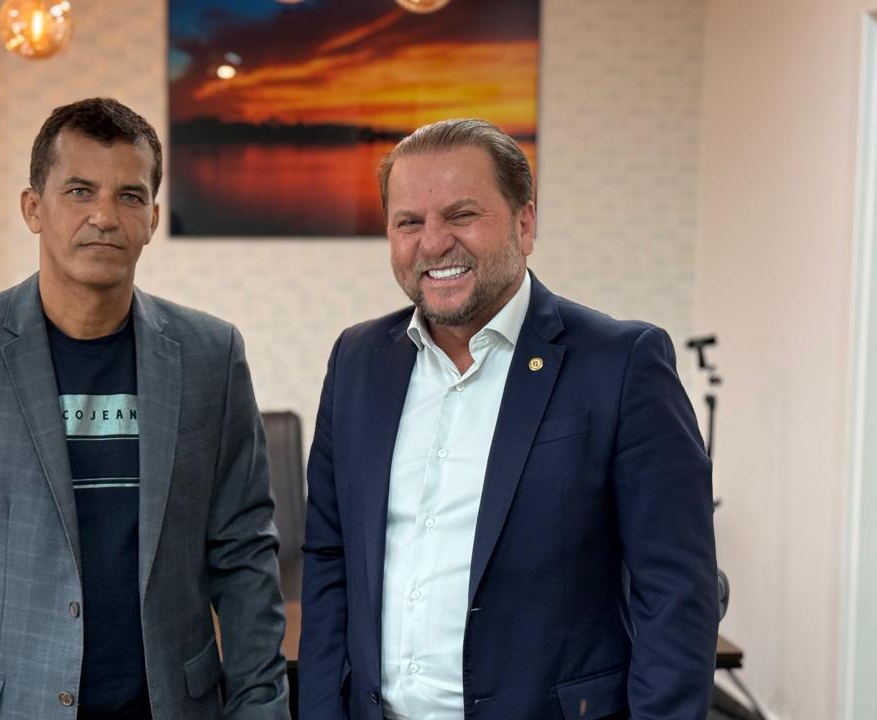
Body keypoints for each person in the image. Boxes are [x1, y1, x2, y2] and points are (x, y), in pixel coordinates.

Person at [0, 98, 289, 720]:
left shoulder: (211, 355)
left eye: (130, 196)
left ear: (153, 218)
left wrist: (260, 709)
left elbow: (245, 556)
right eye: (80, 190)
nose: (104, 217)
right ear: (33, 208)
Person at [299, 118, 718, 719]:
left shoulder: (622, 363)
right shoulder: (357, 360)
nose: (433, 243)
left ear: (525, 224)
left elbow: (675, 589)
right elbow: (329, 557)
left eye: (462, 215)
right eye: (409, 222)